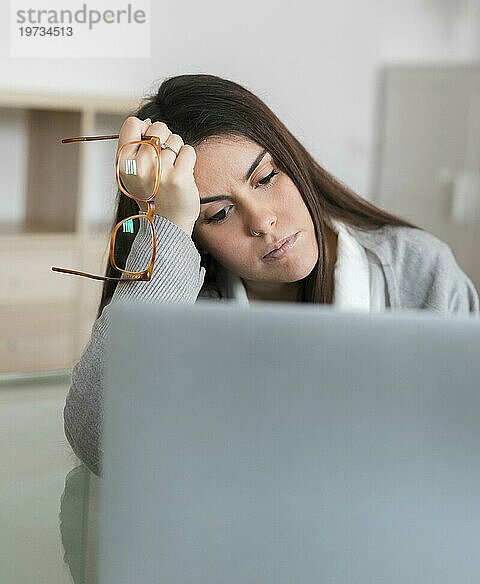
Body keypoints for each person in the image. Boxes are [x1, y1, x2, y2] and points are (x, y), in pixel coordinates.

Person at [64, 74, 479, 476]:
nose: (261, 220)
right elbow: (100, 445)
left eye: (265, 178)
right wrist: (167, 225)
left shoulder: (418, 270)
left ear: (292, 162)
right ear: (198, 236)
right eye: (219, 213)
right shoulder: (189, 310)